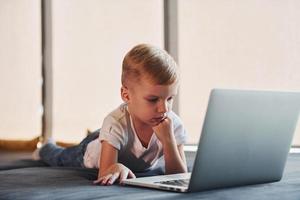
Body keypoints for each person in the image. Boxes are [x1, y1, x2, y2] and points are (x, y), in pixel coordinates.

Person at [34, 44, 188, 186]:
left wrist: (168, 141)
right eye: (153, 99)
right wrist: (116, 166)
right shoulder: (116, 122)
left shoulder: (173, 124)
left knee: (108, 135)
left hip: (111, 136)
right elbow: (105, 172)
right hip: (90, 152)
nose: (163, 108)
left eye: (170, 98)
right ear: (126, 96)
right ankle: (45, 147)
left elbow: (179, 177)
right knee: (59, 157)